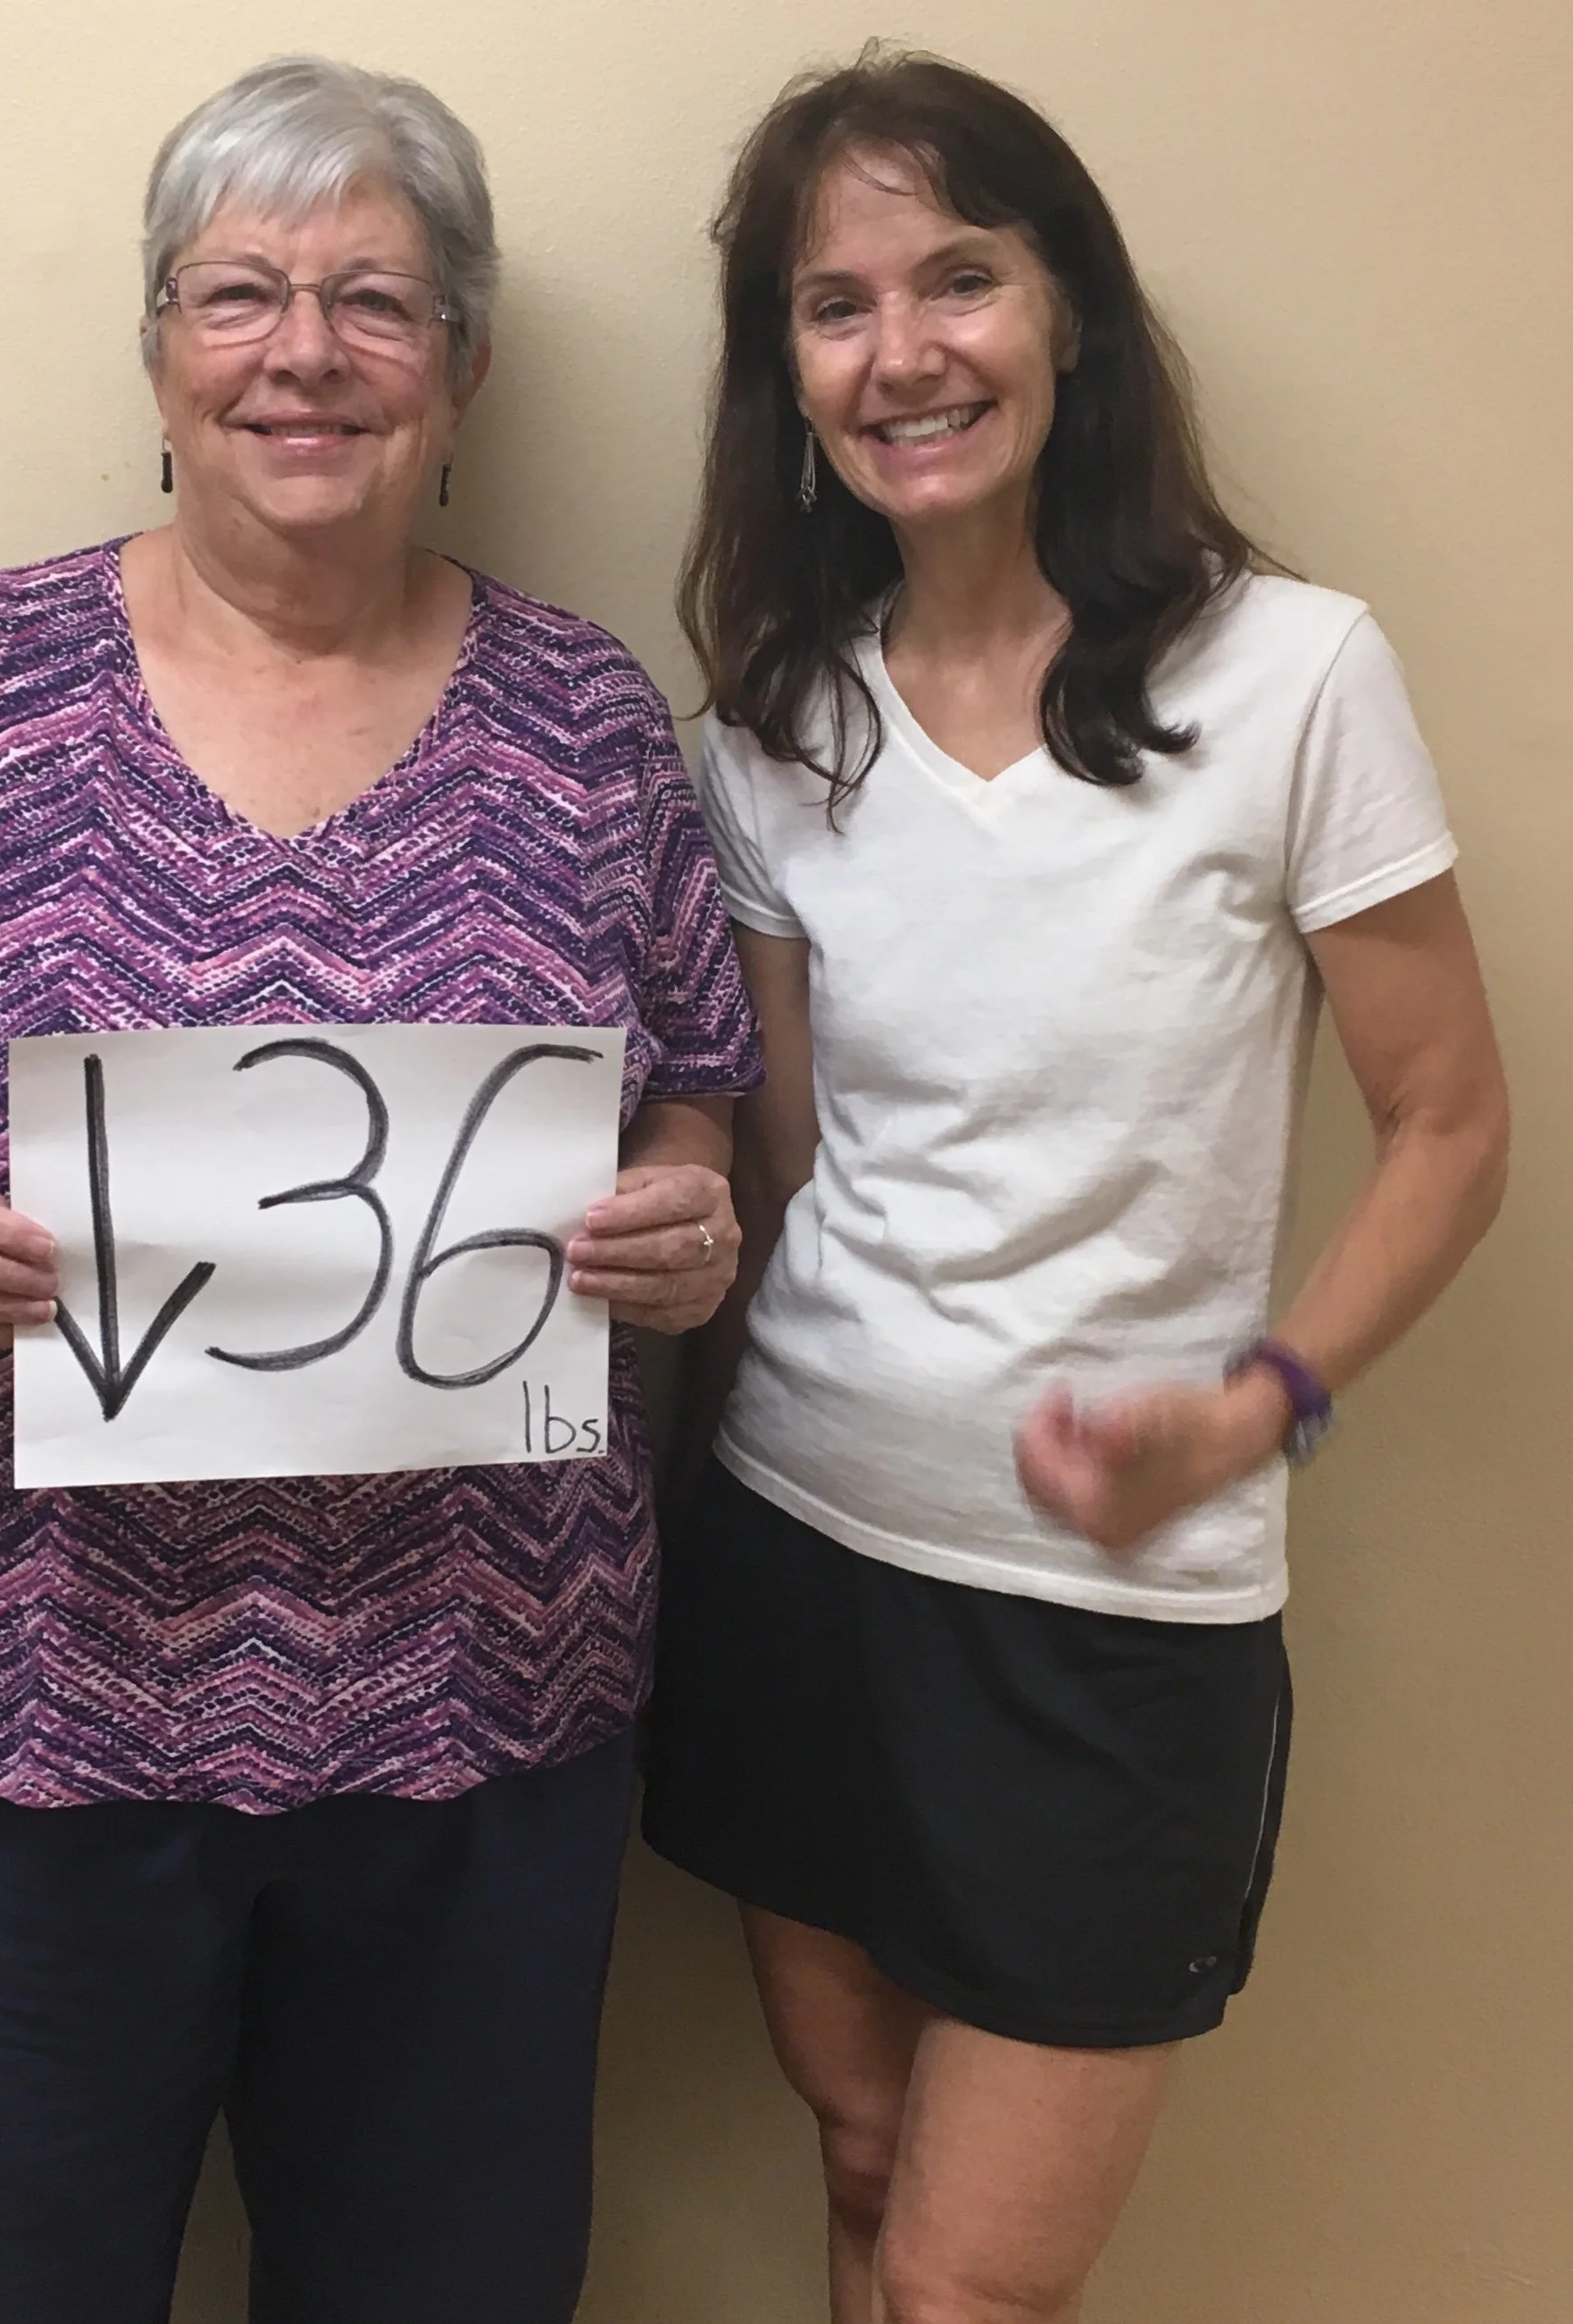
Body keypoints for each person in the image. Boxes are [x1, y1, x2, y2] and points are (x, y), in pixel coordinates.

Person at [0, 54, 758, 2324]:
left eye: (376, 299)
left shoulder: (588, 722)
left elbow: (695, 1092)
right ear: (161, 349)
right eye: (240, 292)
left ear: (463, 366)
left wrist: (683, 1215)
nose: (305, 353)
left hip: (474, 1719)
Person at [642, 47, 1508, 2324]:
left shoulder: (1295, 674)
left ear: (1070, 315)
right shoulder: (773, 727)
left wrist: (1258, 1408)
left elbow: (1451, 1124)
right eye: (835, 305)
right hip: (801, 1553)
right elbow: (785, 1165)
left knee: (970, 2284)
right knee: (856, 2165)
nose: (902, 352)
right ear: (786, 374)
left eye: (960, 278)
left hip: (1114, 1616)